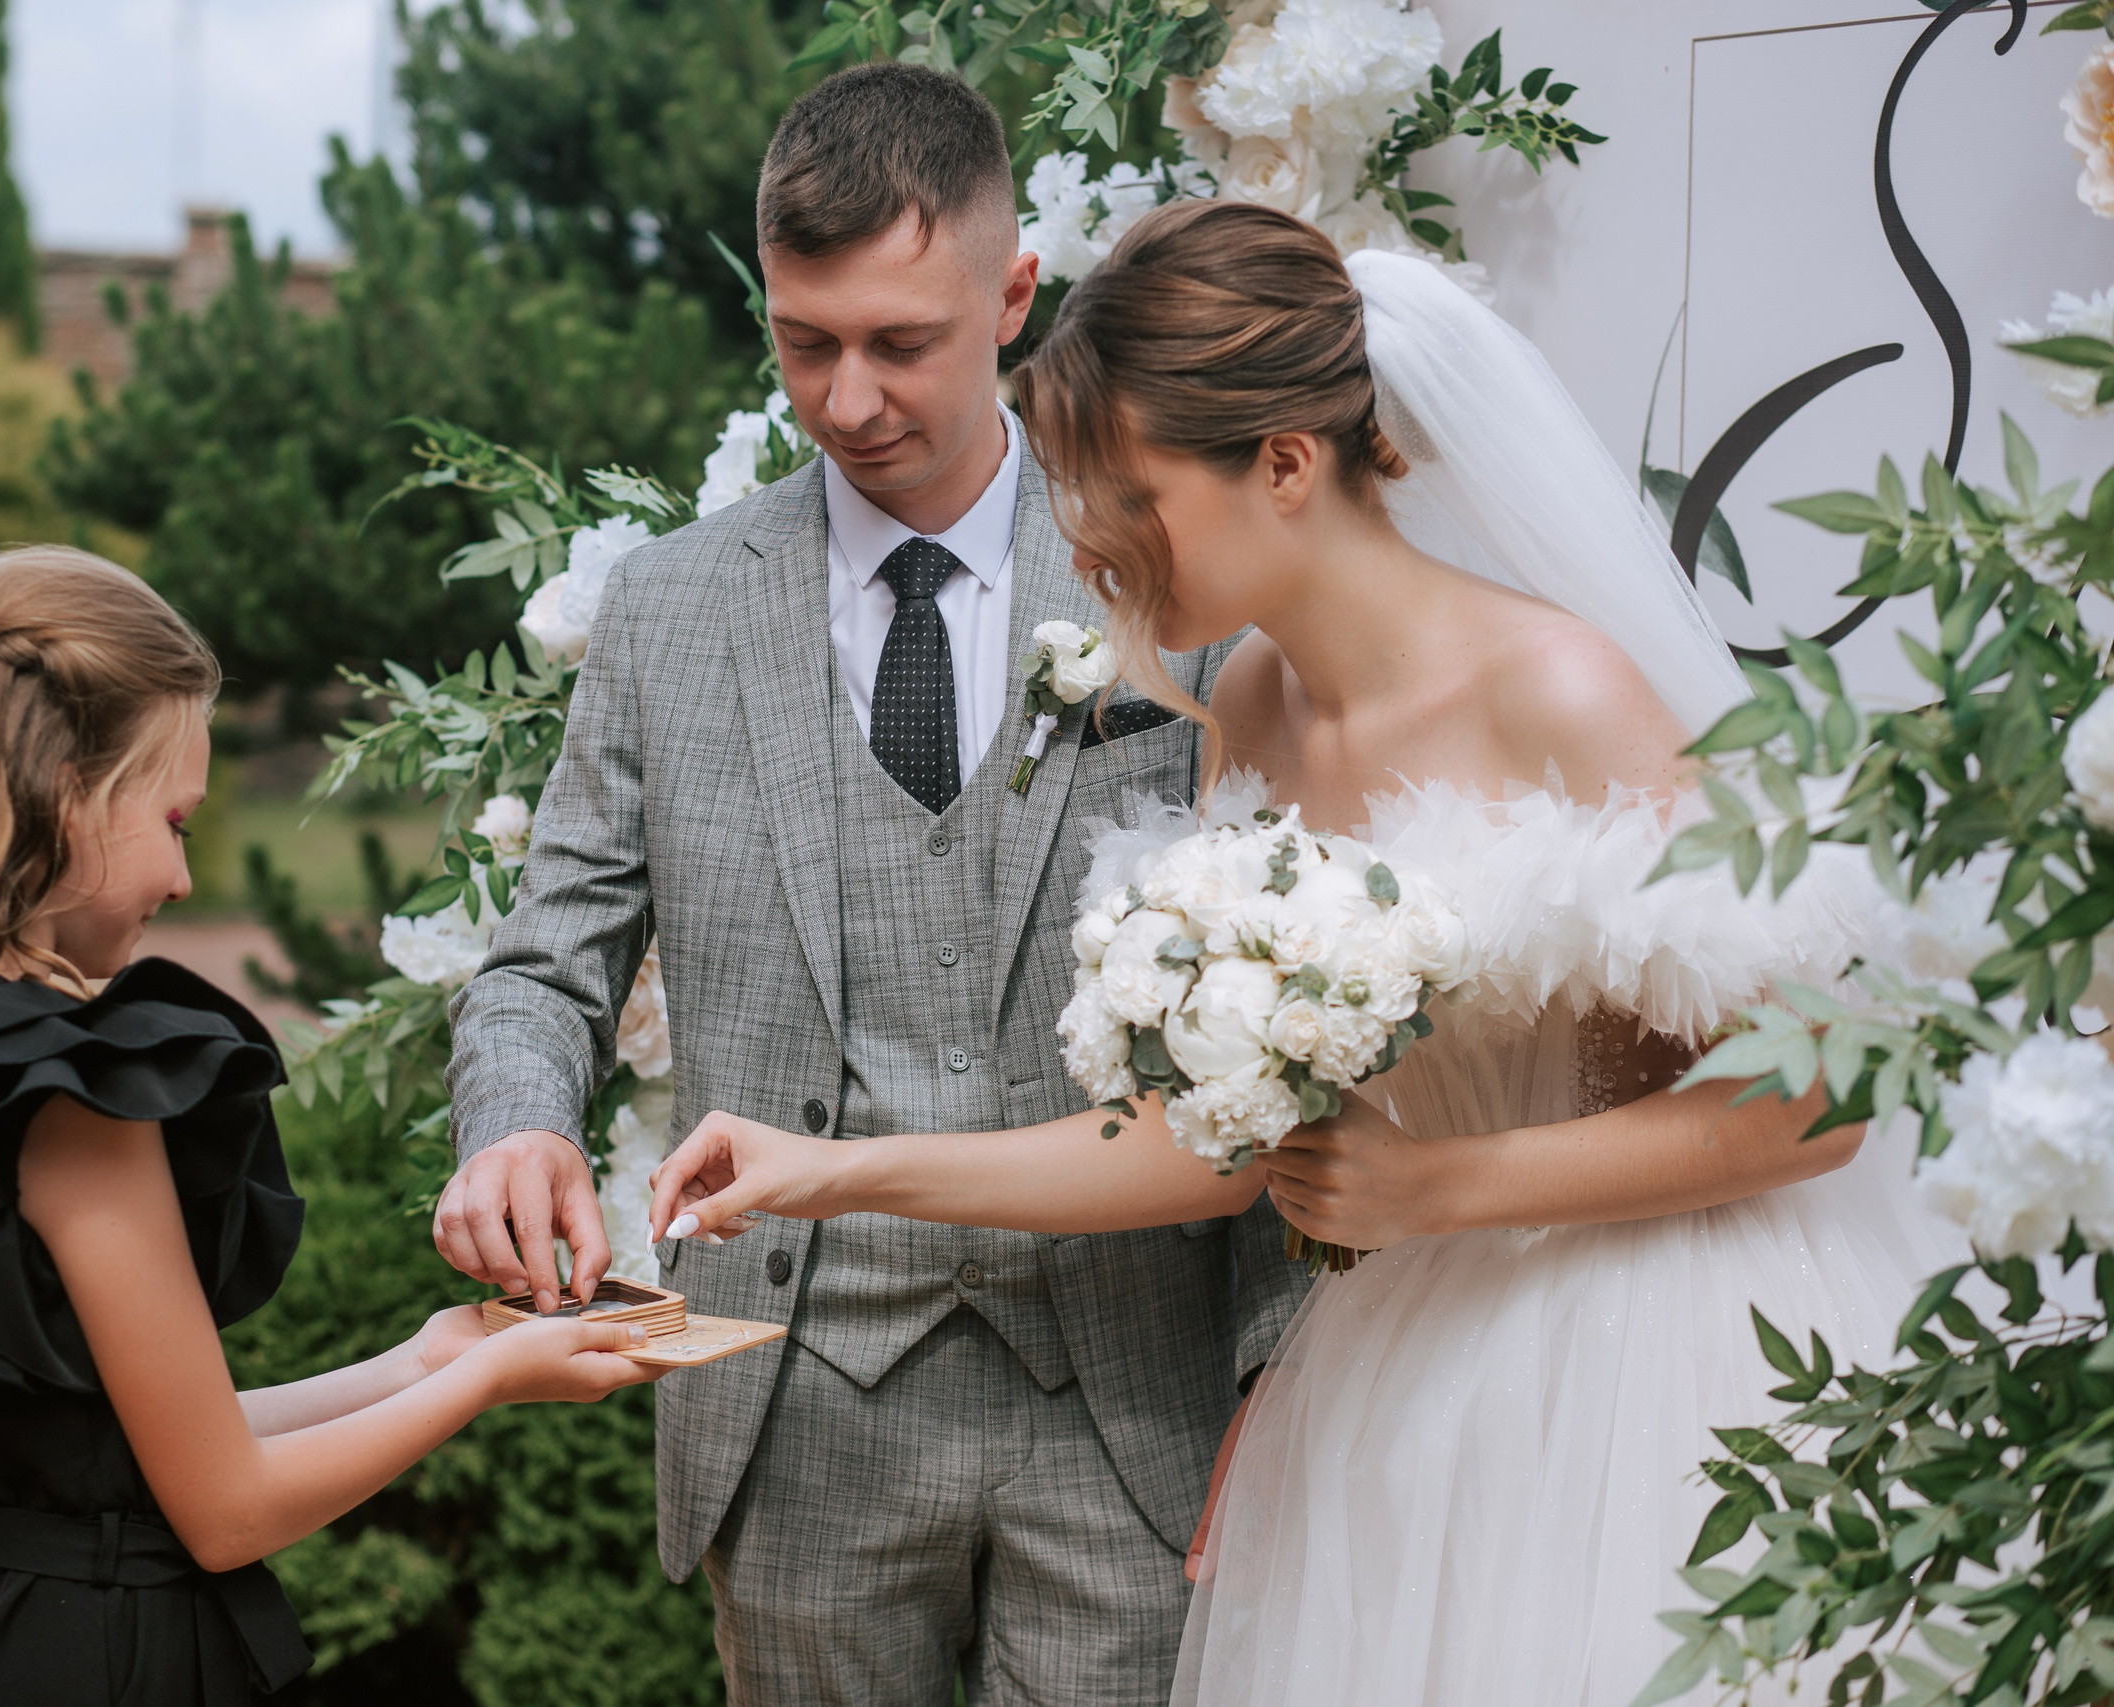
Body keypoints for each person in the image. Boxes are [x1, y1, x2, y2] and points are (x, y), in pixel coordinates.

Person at [647, 202, 1962, 1706]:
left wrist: (1443, 1186)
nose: (1082, 536)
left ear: (1282, 461)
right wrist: (829, 1169)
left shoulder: (1563, 691)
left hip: (1645, 1373)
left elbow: (1821, 1099)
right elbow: (1206, 1145)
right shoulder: (1258, 704)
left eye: (1123, 490)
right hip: (1406, 1374)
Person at [436, 63, 1309, 1707]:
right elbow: (548, 959)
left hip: (1131, 1404)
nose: (847, 399)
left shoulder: (1189, 577)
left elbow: (1283, 1006)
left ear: (1015, 296)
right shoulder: (668, 614)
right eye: (803, 341)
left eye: (902, 342)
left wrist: (1275, 1367)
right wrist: (521, 1125)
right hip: (793, 1404)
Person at [0, 546, 657, 1706]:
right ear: (66, 797)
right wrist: (488, 1385)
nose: (179, 875)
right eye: (174, 820)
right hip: (95, 1662)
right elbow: (224, 1512)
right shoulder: (72, 1095)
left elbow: (112, 1449)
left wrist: (425, 1359)